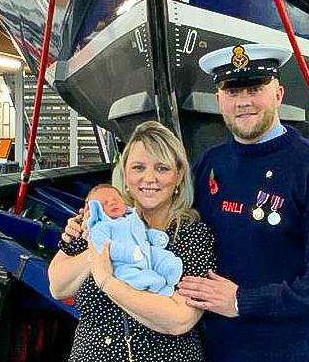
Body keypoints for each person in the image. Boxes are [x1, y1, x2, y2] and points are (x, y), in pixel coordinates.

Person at [178, 44, 309, 361]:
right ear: (218, 100)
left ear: (279, 94)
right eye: (232, 92)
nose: (243, 101)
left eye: (255, 88)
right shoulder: (210, 164)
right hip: (217, 352)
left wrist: (241, 301)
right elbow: (172, 225)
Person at [48, 121, 216, 362]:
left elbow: (180, 319)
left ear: (178, 176)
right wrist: (100, 246)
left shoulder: (193, 235)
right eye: (138, 167)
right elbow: (58, 286)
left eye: (161, 168)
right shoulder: (98, 219)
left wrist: (107, 281)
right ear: (125, 176)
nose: (149, 178)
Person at [61, 183, 183, 296]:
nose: (112, 203)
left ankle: (169, 269)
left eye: (115, 199)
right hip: (123, 262)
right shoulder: (100, 228)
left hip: (145, 251)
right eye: (104, 203)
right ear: (94, 210)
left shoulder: (132, 218)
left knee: (162, 256)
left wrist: (155, 237)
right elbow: (105, 246)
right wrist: (129, 253)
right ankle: (157, 285)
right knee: (131, 276)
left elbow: (141, 233)